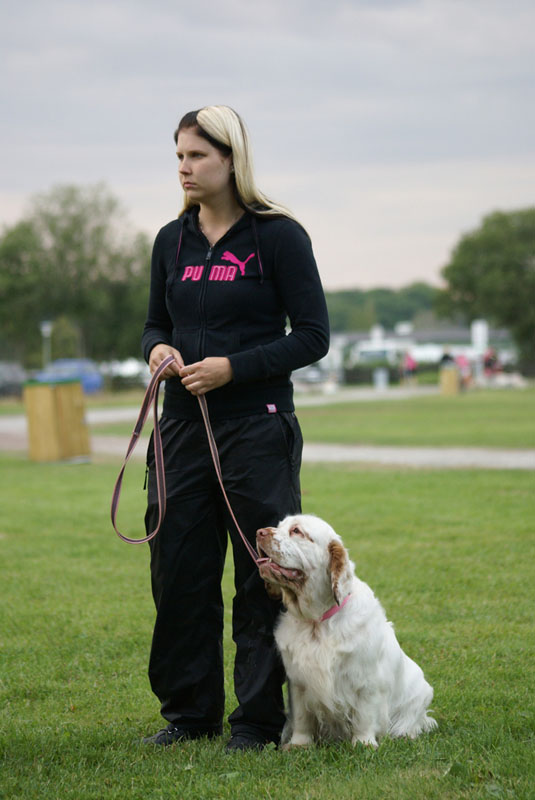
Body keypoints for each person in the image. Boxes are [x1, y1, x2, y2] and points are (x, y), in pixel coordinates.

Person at [141, 105, 329, 751]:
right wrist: (157, 351)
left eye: (197, 155)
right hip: (181, 432)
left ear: (230, 158)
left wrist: (233, 368)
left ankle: (256, 719)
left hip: (256, 428)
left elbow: (312, 337)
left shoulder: (276, 236)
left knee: (261, 574)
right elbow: (153, 323)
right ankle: (189, 714)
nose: (184, 169)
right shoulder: (172, 239)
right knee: (179, 572)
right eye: (179, 157)